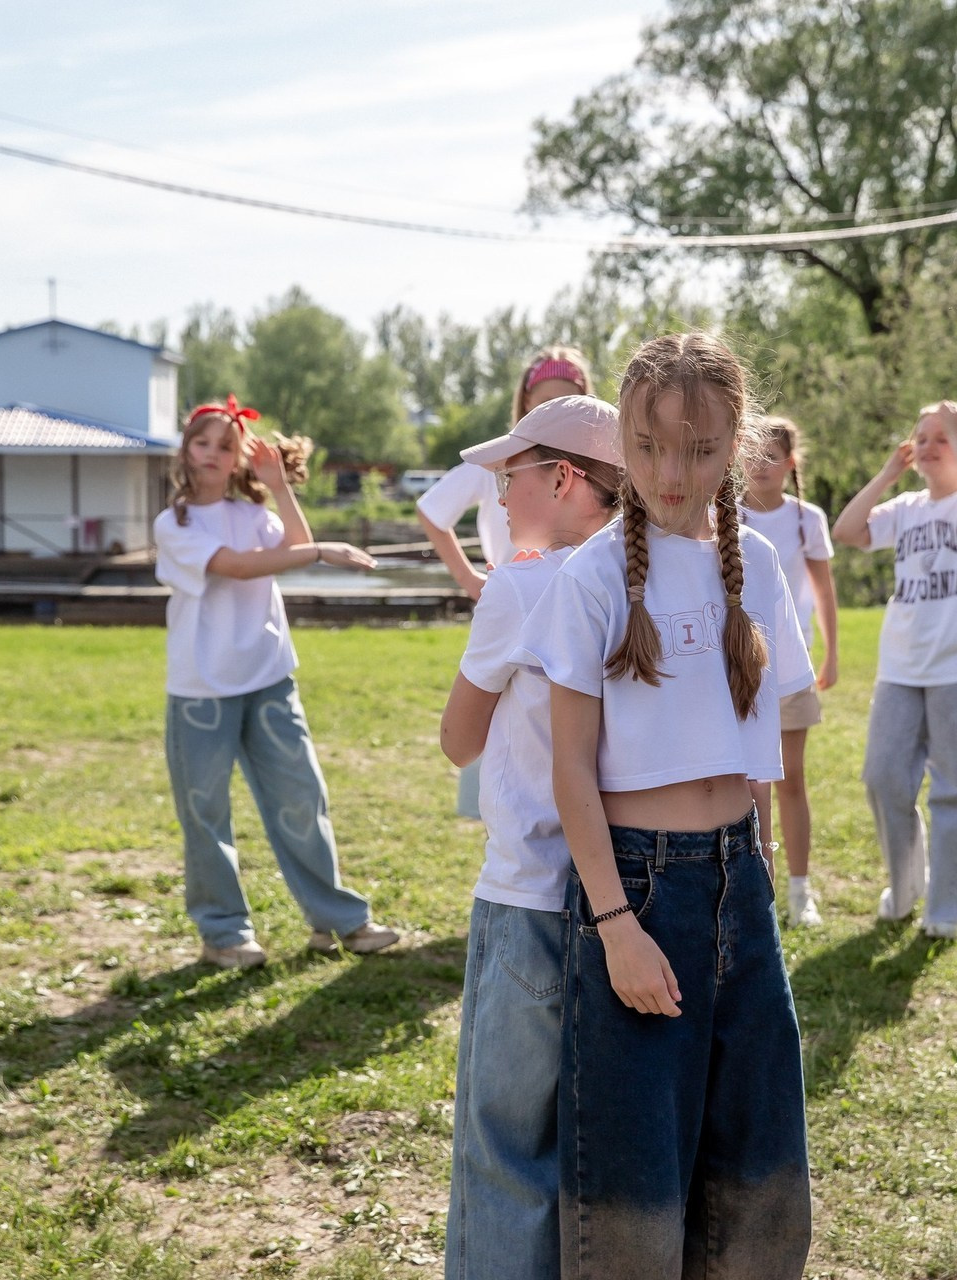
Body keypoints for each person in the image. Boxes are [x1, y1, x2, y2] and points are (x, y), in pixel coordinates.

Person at [518, 334, 815, 1279]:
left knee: (760, 1179)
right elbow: (572, 771)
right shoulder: (593, 576)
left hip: (739, 882)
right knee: (635, 1197)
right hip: (636, 891)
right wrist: (615, 924)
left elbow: (757, 745)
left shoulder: (760, 565)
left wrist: (758, 867)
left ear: (737, 443)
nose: (671, 472)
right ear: (622, 446)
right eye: (648, 448)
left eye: (698, 448)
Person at [439, 395, 623, 1280]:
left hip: (527, 897)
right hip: (629, 901)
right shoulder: (650, 575)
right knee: (588, 1148)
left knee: (504, 1151)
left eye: (512, 474)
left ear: (564, 478)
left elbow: (458, 741)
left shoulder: (522, 585)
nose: (500, 492)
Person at [153, 395, 401, 969]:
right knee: (205, 812)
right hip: (201, 690)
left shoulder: (254, 516)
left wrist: (279, 485)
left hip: (268, 679)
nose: (212, 453)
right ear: (186, 451)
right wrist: (319, 552)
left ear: (240, 457)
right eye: (202, 442)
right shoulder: (175, 524)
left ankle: (339, 921)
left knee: (301, 800)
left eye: (225, 445)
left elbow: (288, 543)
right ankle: (224, 933)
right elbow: (238, 567)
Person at [831, 400, 957, 940]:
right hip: (900, 667)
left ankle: (947, 907)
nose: (931, 445)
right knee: (883, 778)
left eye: (945, 438)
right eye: (922, 437)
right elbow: (847, 531)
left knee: (952, 788)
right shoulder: (905, 508)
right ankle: (905, 886)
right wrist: (887, 474)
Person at [418, 345, 592, 820]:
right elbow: (433, 510)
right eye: (542, 404)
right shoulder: (501, 460)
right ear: (523, 403)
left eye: (565, 401)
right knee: (499, 749)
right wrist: (472, 580)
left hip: (574, 611)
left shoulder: (596, 471)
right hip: (511, 610)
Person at [740, 416, 839, 927]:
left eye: (772, 455)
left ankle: (801, 891)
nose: (761, 465)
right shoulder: (726, 516)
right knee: (747, 782)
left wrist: (832, 653)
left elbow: (823, 591)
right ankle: (759, 886)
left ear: (790, 463)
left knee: (791, 779)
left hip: (790, 669)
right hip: (741, 669)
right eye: (753, 453)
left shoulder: (807, 519)